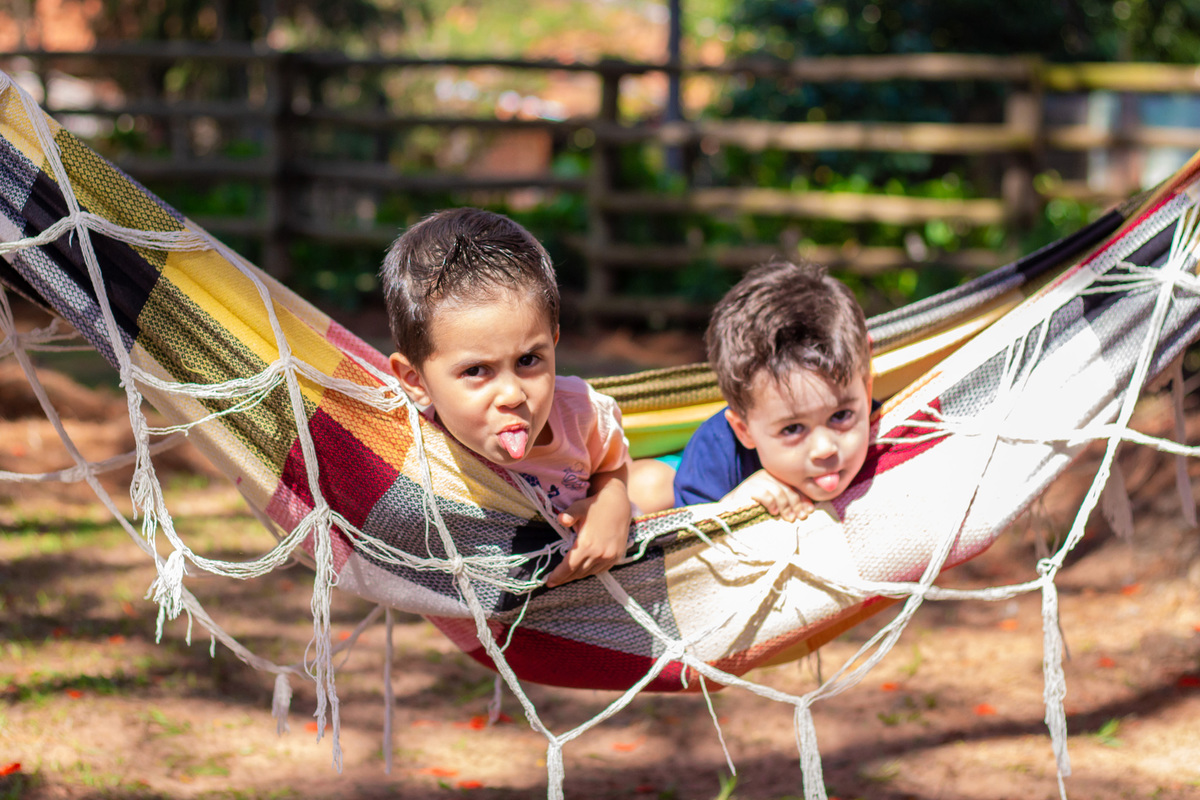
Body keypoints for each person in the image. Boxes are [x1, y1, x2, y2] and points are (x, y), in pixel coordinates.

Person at [380, 207, 636, 587]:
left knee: (659, 482)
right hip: (494, 590)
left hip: (598, 589)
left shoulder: (582, 413)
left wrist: (612, 503)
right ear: (416, 380)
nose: (513, 394)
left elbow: (612, 466)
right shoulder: (415, 442)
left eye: (529, 360)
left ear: (554, 344)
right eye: (476, 371)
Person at [672, 260, 874, 521]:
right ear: (744, 430)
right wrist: (729, 511)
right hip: (675, 462)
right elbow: (688, 549)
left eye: (841, 415)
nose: (825, 449)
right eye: (792, 429)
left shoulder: (897, 431)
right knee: (650, 486)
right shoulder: (714, 455)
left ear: (867, 394)